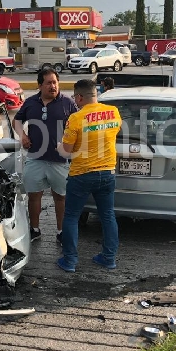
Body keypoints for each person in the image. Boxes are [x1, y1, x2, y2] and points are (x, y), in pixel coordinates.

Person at [55, 79, 122, 272]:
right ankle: (108, 258)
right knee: (108, 215)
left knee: (71, 217)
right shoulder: (113, 112)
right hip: (108, 172)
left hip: (81, 174)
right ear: (96, 94)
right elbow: (111, 133)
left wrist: (59, 147)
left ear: (79, 97)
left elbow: (66, 151)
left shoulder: (76, 118)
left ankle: (70, 261)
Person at [13, 68, 78, 243]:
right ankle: (34, 230)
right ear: (40, 85)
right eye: (48, 83)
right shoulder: (30, 103)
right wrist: (23, 135)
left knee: (61, 197)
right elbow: (17, 120)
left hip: (60, 160)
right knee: (34, 196)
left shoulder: (68, 103)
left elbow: (78, 126)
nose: (53, 86)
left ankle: (61, 231)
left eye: (55, 82)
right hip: (35, 158)